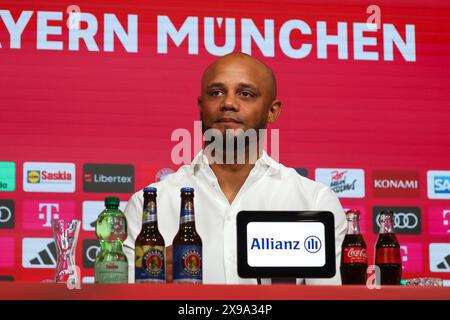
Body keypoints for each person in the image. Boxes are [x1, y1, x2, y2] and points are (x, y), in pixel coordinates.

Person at [123, 52, 347, 284]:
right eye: (216, 93)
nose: (228, 103)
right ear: (201, 106)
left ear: (273, 111)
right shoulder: (149, 205)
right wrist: (152, 283)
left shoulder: (315, 202)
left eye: (246, 94)